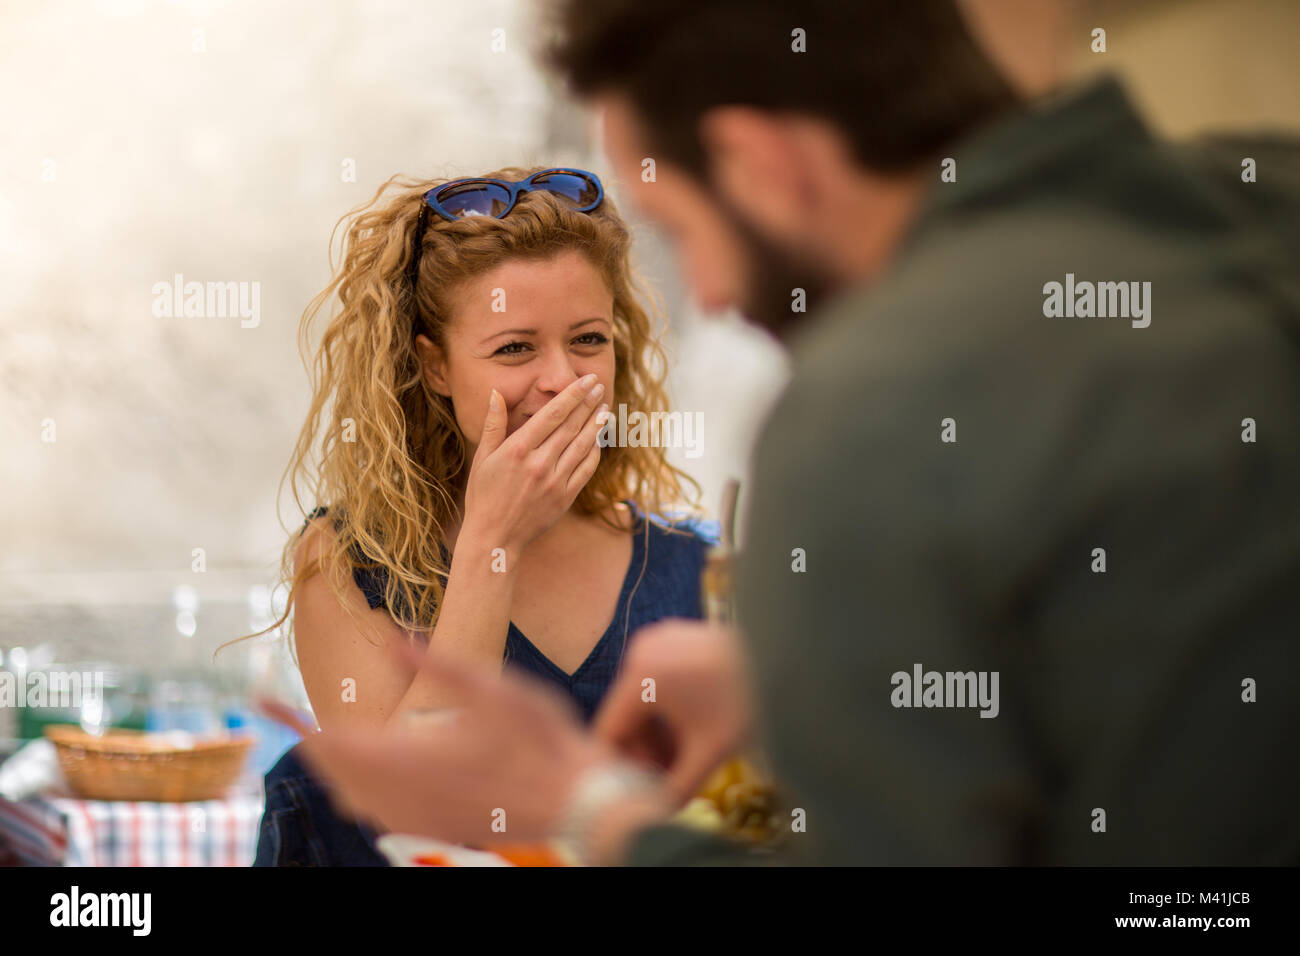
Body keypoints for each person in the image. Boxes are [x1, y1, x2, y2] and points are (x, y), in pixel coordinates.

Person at [265, 0, 1300, 865]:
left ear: (759, 162)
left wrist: (593, 810)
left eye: (680, 230)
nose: (711, 292)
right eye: (510, 348)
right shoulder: (1260, 209)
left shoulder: (871, 405)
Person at [248, 165, 718, 865]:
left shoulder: (691, 565)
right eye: (515, 348)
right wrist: (493, 541)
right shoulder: (350, 564)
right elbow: (411, 815)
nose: (563, 378)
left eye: (588, 339)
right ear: (434, 368)